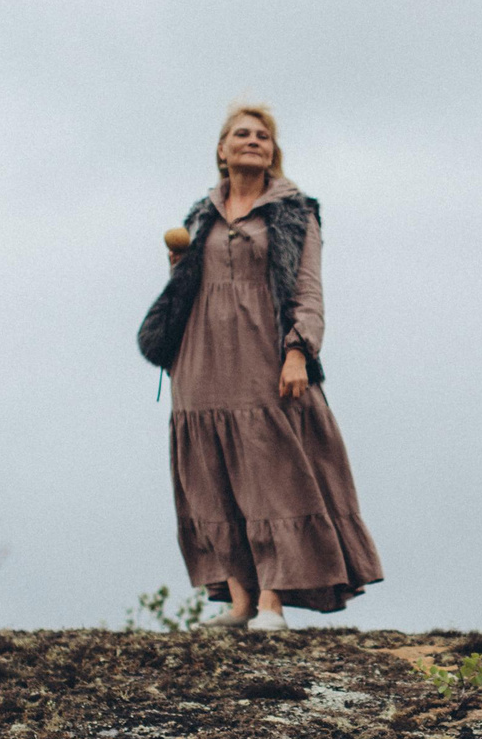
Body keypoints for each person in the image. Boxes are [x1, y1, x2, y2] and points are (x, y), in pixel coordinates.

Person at [163, 103, 381, 629]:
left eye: (263, 135)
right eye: (242, 134)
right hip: (200, 359)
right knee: (209, 475)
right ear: (222, 149)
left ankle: (271, 604)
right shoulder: (201, 214)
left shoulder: (293, 211)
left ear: (272, 151)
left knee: (271, 475)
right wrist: (178, 269)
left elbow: (307, 288)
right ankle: (239, 601)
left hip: (264, 352)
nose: (253, 141)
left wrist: (298, 351)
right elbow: (187, 288)